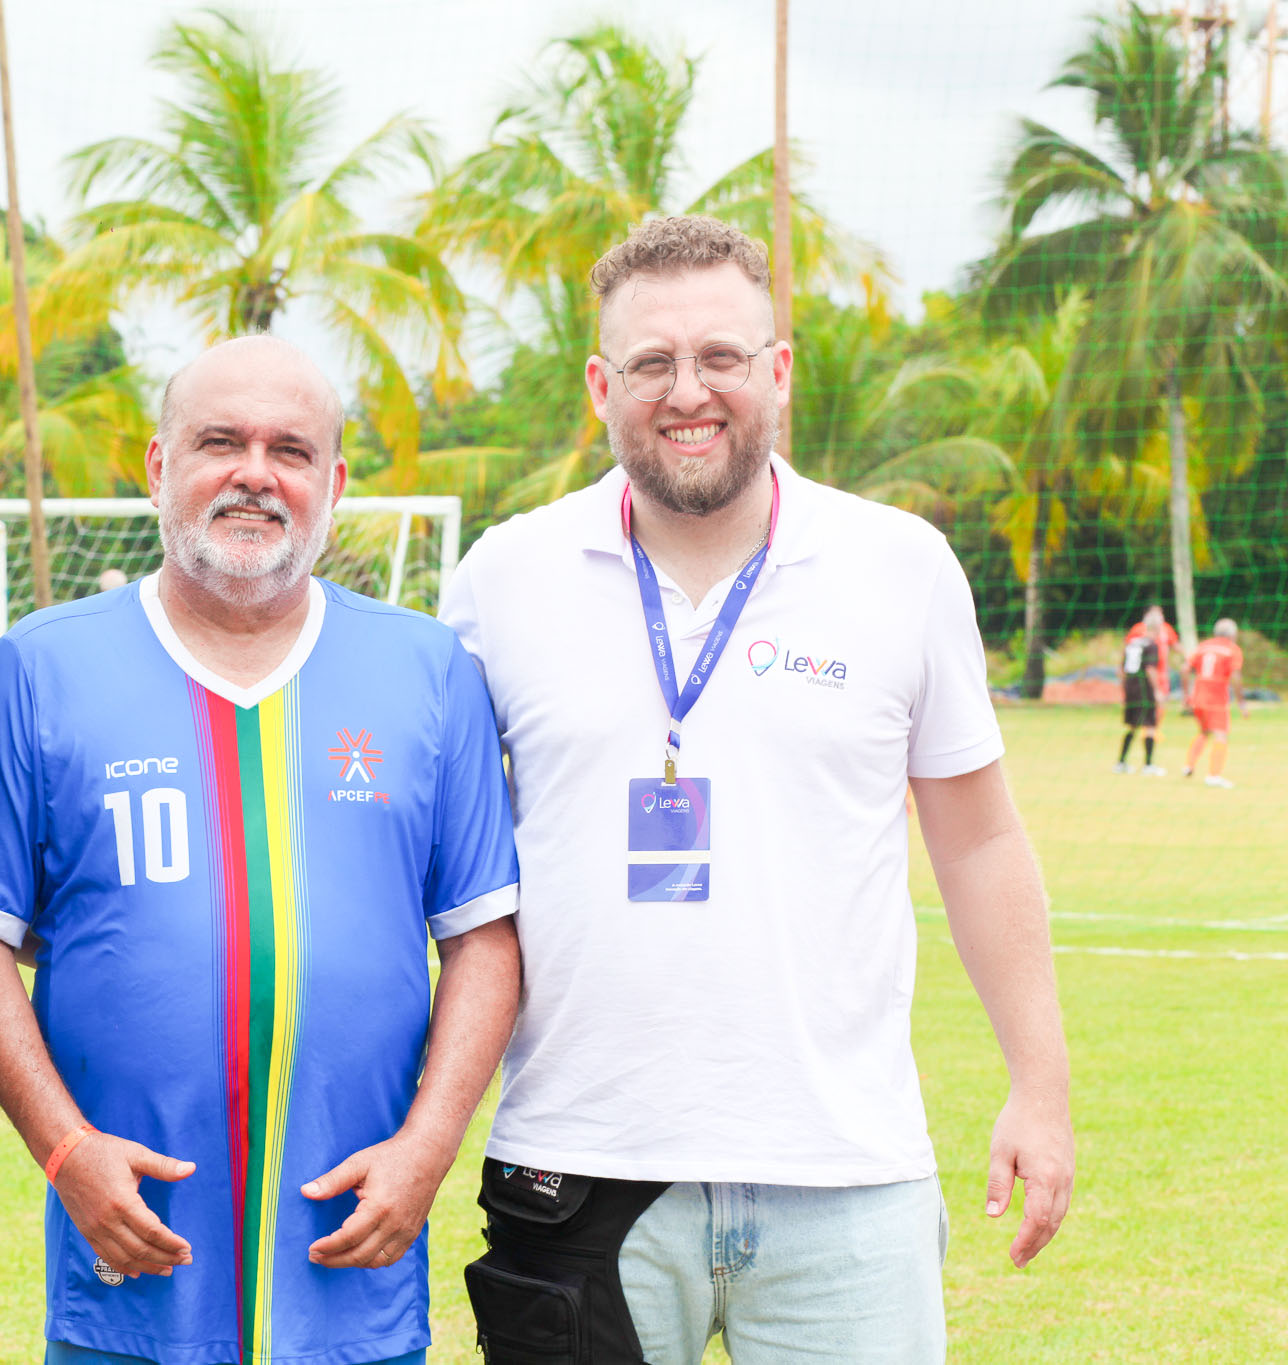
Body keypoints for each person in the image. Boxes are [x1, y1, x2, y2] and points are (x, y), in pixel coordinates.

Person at [440, 216, 1073, 1365]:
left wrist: (1040, 1084)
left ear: (776, 370)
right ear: (599, 386)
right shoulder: (503, 577)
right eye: (650, 362)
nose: (687, 391)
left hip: (844, 1180)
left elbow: (977, 842)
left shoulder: (899, 566)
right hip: (579, 1164)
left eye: (720, 356)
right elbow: (443, 866)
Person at [0, 334, 521, 1365]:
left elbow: (483, 937)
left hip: (351, 1276)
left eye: (290, 450)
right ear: (159, 465)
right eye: (220, 442)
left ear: (332, 484)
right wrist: (66, 1149)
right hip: (129, 1280)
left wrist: (428, 1147)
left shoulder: (429, 670)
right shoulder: (41, 665)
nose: (255, 474)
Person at [1183, 618, 1247, 788]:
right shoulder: (1232, 650)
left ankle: (1189, 765)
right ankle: (1214, 776)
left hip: (1198, 697)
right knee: (1221, 734)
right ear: (1232, 635)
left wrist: (1186, 694)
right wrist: (1241, 702)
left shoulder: (1203, 646)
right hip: (1217, 700)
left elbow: (1184, 668)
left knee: (1204, 732)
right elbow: (1235, 676)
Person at [1116, 604, 1170, 774]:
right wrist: (1157, 690)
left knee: (1132, 725)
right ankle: (1148, 765)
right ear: (1158, 627)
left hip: (1130, 686)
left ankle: (1121, 763)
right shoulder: (1152, 645)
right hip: (1144, 688)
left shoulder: (1132, 643)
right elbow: (1150, 669)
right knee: (1150, 725)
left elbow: (1121, 670)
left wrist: (1125, 687)